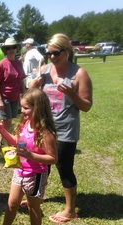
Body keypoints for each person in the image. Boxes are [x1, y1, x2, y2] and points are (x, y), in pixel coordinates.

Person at [30, 33, 93, 223]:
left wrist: (72, 94)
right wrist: (33, 86)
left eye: (56, 53)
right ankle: (37, 197)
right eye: (48, 53)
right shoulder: (44, 70)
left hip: (66, 130)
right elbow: (34, 98)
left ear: (66, 51)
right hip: (44, 128)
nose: (52, 57)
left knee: (64, 168)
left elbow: (86, 106)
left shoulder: (79, 73)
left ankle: (70, 209)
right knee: (42, 166)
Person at [0, 88, 58, 225]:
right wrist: (2, 131)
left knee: (33, 208)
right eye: (21, 107)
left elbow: (53, 158)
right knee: (12, 204)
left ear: (38, 109)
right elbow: (18, 143)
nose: (21, 111)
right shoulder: (25, 124)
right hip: (20, 170)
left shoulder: (45, 133)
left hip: (35, 175)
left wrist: (31, 155)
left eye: (25, 108)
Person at [0, 38, 26, 151]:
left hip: (15, 97)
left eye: (13, 47)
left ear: (16, 49)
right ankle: (8, 145)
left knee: (8, 121)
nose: (11, 50)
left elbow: (21, 80)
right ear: (5, 50)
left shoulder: (18, 63)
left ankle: (0, 143)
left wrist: (24, 95)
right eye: (8, 48)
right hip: (4, 97)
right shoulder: (2, 64)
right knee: (6, 121)